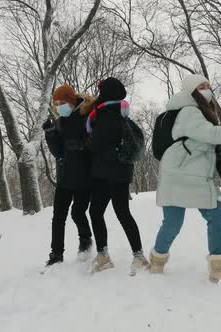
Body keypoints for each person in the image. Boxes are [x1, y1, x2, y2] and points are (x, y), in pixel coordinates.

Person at [149, 74, 221, 288]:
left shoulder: (202, 112)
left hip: (195, 177)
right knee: (173, 223)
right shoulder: (189, 111)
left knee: (216, 215)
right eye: (201, 86)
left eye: (207, 85)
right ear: (191, 91)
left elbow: (209, 143)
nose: (206, 89)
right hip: (178, 175)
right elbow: (212, 135)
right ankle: (157, 262)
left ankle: (218, 269)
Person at [85, 77, 148, 274]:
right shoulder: (120, 113)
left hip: (106, 171)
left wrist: (85, 141)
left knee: (98, 212)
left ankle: (107, 256)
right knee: (121, 212)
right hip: (120, 170)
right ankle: (136, 255)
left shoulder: (105, 114)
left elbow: (97, 144)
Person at [42, 84, 94, 266]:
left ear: (72, 102)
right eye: (56, 103)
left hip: (85, 177)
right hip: (64, 177)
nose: (58, 106)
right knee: (58, 217)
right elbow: (58, 152)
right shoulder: (60, 121)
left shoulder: (86, 116)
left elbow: (95, 144)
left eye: (62, 102)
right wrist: (50, 134)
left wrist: (82, 146)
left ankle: (86, 240)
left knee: (77, 212)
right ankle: (56, 254)